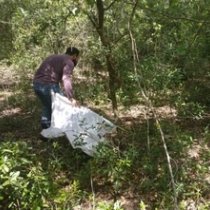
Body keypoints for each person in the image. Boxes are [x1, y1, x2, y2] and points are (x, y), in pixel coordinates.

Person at [33, 47, 80, 130]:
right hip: (48, 85)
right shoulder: (69, 62)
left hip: (37, 84)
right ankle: (57, 131)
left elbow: (58, 75)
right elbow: (66, 78)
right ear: (75, 56)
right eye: (77, 57)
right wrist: (71, 97)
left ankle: (46, 132)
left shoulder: (52, 57)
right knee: (61, 106)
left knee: (47, 106)